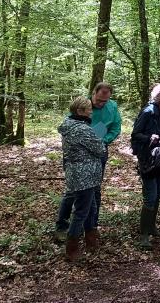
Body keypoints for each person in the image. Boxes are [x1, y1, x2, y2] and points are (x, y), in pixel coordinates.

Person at [55, 82, 122, 242]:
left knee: (95, 190)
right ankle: (62, 227)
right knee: (73, 192)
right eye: (98, 100)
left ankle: (91, 226)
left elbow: (116, 127)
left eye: (104, 101)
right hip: (78, 156)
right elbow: (69, 126)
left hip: (99, 150)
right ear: (93, 94)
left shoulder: (112, 107)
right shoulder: (82, 105)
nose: (101, 104)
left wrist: (104, 140)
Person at [131, 83, 160, 249]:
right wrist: (150, 137)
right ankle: (144, 235)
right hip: (148, 159)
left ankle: (151, 227)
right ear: (159, 97)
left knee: (158, 193)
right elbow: (135, 134)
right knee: (150, 195)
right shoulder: (148, 112)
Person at [58, 97, 106, 261]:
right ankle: (72, 249)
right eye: (88, 109)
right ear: (80, 111)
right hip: (84, 175)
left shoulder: (69, 125)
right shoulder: (82, 130)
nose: (91, 111)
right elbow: (100, 149)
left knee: (91, 208)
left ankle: (91, 241)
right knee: (81, 212)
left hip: (80, 173)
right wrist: (100, 141)